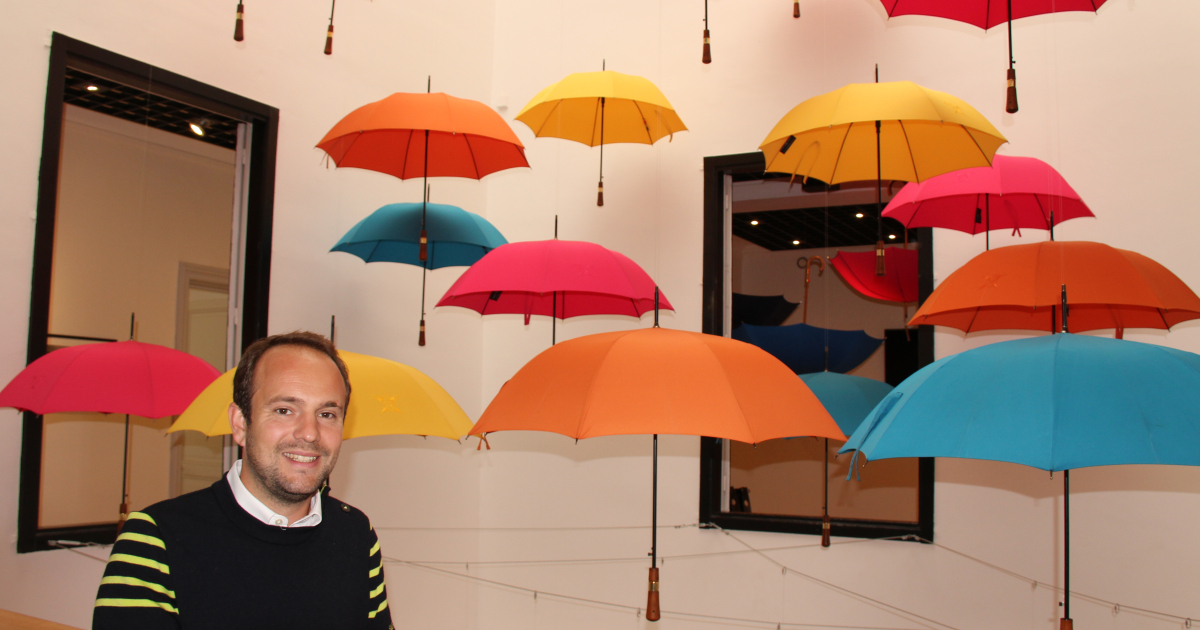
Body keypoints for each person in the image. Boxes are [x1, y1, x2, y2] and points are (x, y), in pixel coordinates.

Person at [93, 331, 392, 630]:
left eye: (327, 414)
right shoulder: (155, 539)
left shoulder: (355, 534)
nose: (310, 433)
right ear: (240, 424)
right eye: (284, 410)